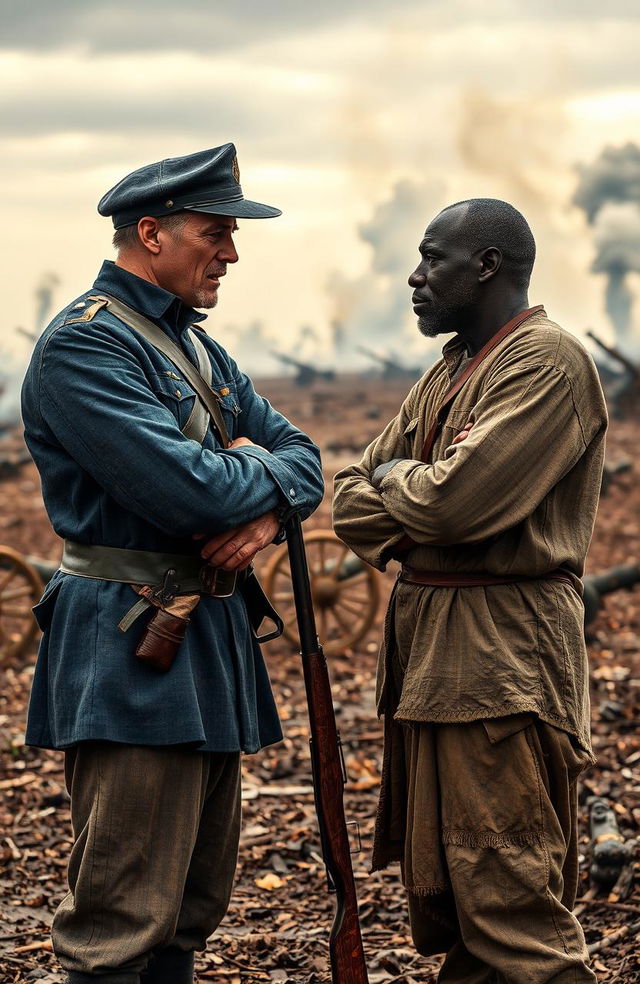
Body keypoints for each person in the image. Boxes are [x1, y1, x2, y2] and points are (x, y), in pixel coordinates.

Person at [21, 143, 324, 984]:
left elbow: (305, 454)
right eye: (215, 233)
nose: (230, 253)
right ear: (150, 234)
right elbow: (189, 494)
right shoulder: (86, 350)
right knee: (121, 921)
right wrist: (257, 484)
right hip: (130, 643)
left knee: (188, 911)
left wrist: (260, 509)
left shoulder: (197, 348)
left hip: (202, 638)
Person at [333, 198, 607, 983]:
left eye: (431, 260)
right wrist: (406, 494)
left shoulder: (547, 364)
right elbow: (350, 498)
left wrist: (405, 487)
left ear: (487, 266)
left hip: (499, 665)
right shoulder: (451, 367)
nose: (414, 279)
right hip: (434, 663)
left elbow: (453, 503)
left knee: (510, 904)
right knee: (457, 905)